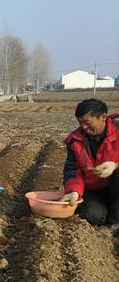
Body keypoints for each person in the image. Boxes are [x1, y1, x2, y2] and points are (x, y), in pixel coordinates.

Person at [60, 98, 119, 229]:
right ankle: (106, 213)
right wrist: (74, 191)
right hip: (95, 189)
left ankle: (114, 223)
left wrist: (115, 165)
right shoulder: (75, 140)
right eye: (80, 123)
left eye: (87, 122)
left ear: (103, 116)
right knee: (91, 216)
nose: (83, 127)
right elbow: (73, 170)